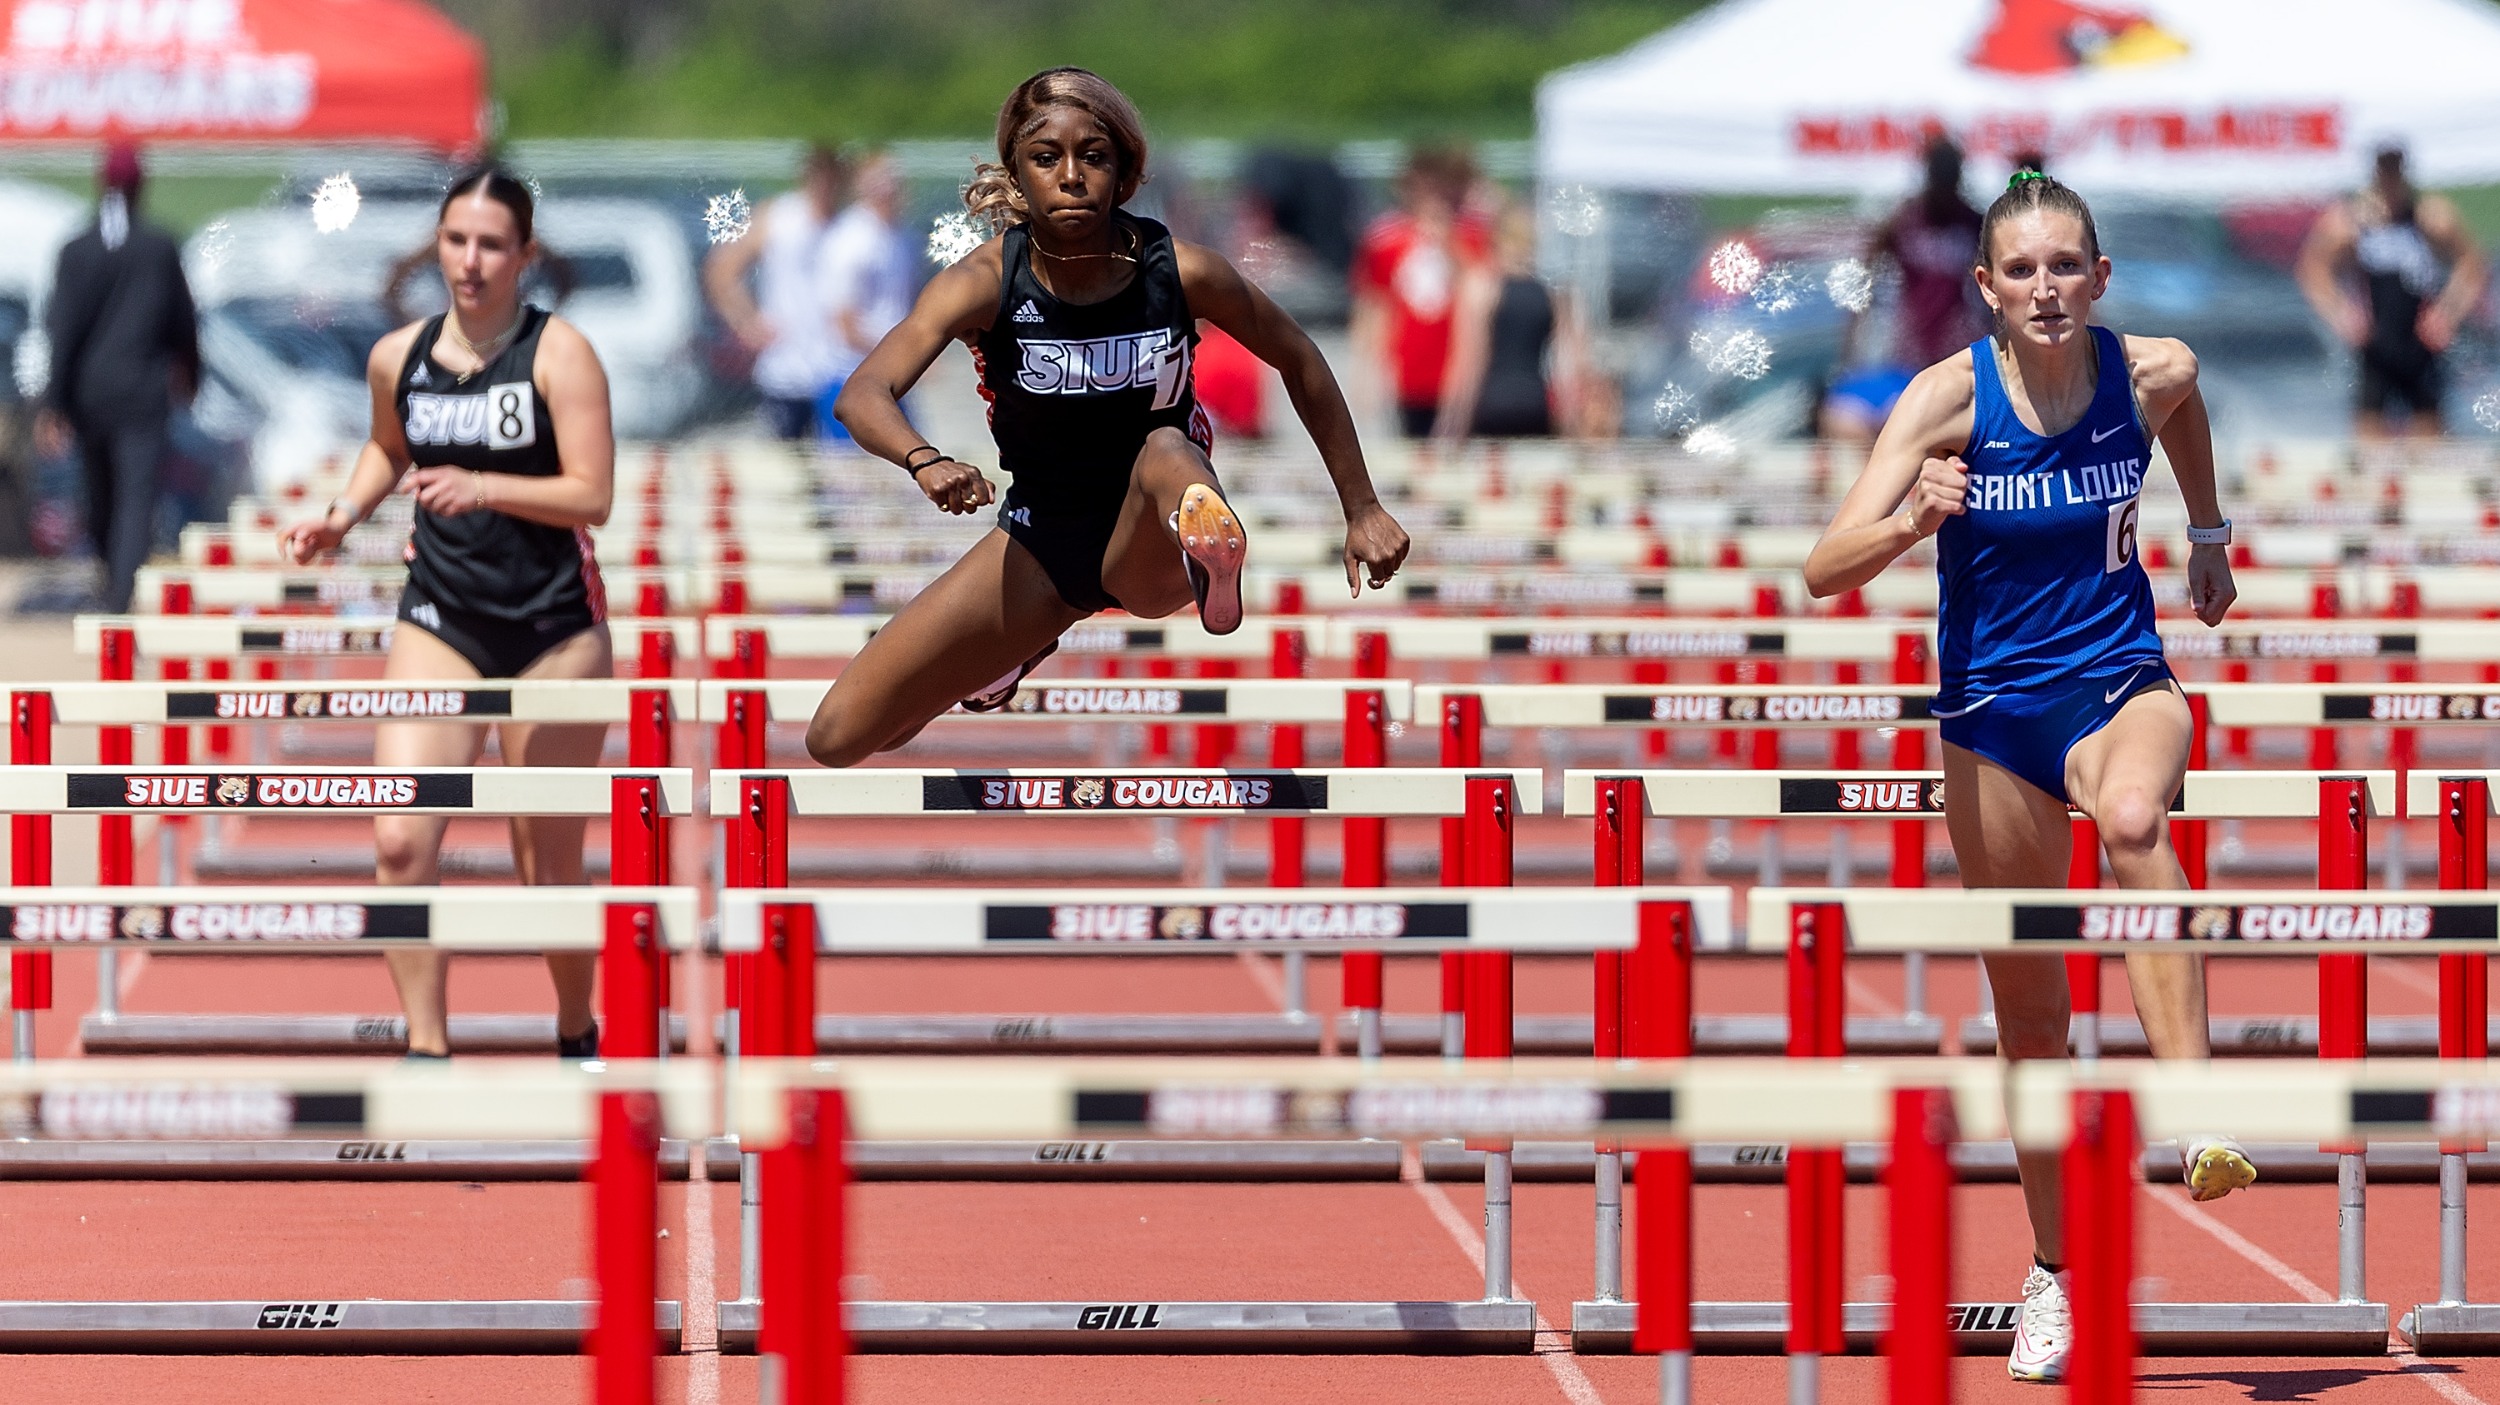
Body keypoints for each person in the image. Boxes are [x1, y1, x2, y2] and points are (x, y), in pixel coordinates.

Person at [1803, 169, 2252, 1384]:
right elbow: (1822, 566)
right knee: (2032, 1015)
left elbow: (2189, 407)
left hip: (2120, 679)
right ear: (1986, 291)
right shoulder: (1943, 400)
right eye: (2023, 271)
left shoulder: (2147, 371)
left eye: (2067, 267)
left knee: (2130, 810)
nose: (2047, 289)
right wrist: (1908, 524)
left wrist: (2206, 534)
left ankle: (2199, 1108)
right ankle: (2053, 1271)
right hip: (1991, 712)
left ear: (2098, 279)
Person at [808, 67, 1408, 763]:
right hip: (1041, 539)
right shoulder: (982, 282)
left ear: (1125, 176)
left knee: (1164, 448)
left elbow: (1301, 359)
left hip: (1153, 532)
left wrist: (1361, 506)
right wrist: (926, 458)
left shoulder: (1182, 272)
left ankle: (1209, 554)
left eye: (1093, 157)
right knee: (840, 737)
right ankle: (1012, 652)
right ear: (1019, 173)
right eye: (1046, 158)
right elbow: (863, 392)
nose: (1070, 176)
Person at [278, 169, 617, 1062]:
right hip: (442, 616)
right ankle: (426, 1048)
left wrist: (484, 485)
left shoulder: (560, 354)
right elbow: (389, 446)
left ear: (525, 255)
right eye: (457, 241)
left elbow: (595, 495)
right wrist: (340, 516)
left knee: (544, 856)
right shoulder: (399, 355)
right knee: (398, 836)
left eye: (492, 245)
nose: (471, 262)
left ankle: (576, 1026)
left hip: (553, 628)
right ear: (437, 246)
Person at [38, 140, 197, 613]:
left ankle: (112, 578)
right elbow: (183, 319)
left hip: (91, 391)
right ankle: (119, 590)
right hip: (143, 391)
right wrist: (192, 371)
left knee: (99, 489)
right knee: (135, 494)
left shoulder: (76, 250)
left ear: (101, 184)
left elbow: (62, 330)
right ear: (141, 187)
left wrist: (54, 402)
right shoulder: (159, 247)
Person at [2297, 144, 2488, 438]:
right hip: (2375, 344)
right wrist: (2341, 314)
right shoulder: (2351, 222)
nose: (2390, 180)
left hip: (2421, 343)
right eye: (2384, 171)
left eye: (2395, 170)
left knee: (2429, 436)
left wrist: (2448, 313)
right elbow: (2313, 268)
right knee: (2371, 437)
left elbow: (2472, 262)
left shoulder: (2429, 218)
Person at [1825, 136, 1988, 440]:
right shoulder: (1906, 220)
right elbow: (1867, 273)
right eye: (1939, 179)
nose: (1944, 189)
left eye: (1951, 180)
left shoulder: (1972, 222)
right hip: (1910, 348)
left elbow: (1993, 288)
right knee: (1901, 424)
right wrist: (1852, 343)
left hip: (1956, 344)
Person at [704, 145, 846, 440]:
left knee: (842, 466)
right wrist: (746, 322)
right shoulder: (780, 216)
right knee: (790, 460)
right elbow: (721, 270)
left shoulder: (848, 224)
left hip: (839, 365)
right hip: (787, 364)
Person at [1351, 147, 1489, 437]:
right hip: (1408, 369)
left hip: (1456, 372)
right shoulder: (1387, 241)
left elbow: (1482, 291)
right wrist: (1366, 371)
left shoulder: (1471, 237)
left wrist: (1448, 241)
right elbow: (1375, 307)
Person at [1437, 203, 1585, 439]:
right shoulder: (1552, 294)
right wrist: (1572, 424)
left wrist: (1450, 426)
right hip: (1535, 403)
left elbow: (1470, 362)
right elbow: (1568, 365)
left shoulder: (1483, 288)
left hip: (1491, 404)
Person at [813, 153, 916, 439]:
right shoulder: (850, 239)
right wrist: (903, 354)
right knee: (853, 477)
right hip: (849, 375)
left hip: (889, 375)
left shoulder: (900, 237)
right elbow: (844, 322)